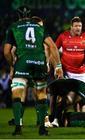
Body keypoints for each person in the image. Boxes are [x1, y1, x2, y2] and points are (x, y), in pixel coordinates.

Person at [3, 6, 63, 136]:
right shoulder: (39, 27)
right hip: (39, 62)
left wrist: (12, 65)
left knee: (18, 93)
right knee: (41, 93)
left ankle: (18, 128)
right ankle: (42, 128)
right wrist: (58, 66)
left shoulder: (14, 27)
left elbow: (7, 51)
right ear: (30, 16)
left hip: (23, 62)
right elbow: (52, 46)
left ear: (18, 16)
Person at [50, 16, 85, 127]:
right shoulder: (63, 36)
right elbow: (54, 51)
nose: (78, 28)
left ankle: (73, 119)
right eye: (76, 26)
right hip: (67, 72)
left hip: (81, 74)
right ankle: (55, 119)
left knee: (79, 99)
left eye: (80, 26)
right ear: (71, 27)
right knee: (64, 97)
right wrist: (57, 67)